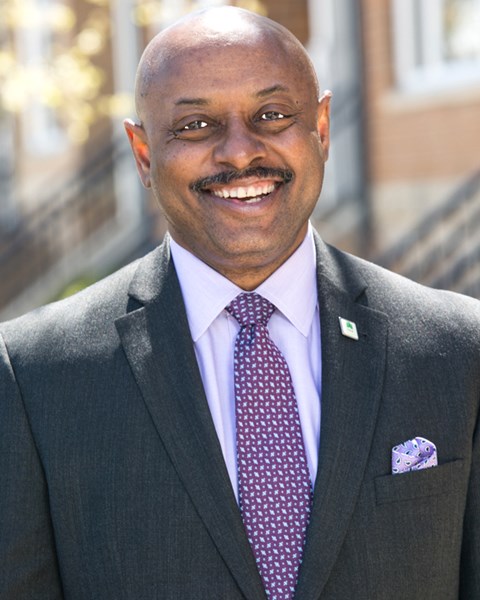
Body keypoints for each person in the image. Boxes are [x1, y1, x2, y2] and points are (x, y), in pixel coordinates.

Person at [0, 6, 479, 599]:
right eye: (196, 125)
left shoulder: (458, 351)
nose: (239, 152)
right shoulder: (33, 377)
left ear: (322, 129)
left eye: (273, 115)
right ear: (144, 153)